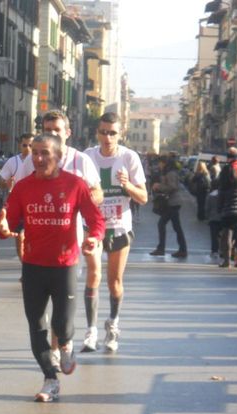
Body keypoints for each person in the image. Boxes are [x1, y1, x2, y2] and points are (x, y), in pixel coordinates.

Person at [0, 133, 105, 402]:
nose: (39, 158)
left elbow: (97, 220)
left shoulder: (75, 185)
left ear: (58, 156)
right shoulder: (23, 187)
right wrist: (4, 228)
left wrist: (93, 237)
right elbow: (8, 223)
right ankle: (50, 379)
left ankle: (66, 345)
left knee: (62, 325)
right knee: (37, 326)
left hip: (64, 265)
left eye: (44, 153)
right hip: (33, 265)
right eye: (35, 153)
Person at [18, 110, 102, 363]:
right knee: (40, 314)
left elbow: (97, 194)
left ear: (67, 133)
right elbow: (19, 194)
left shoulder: (80, 161)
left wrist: (78, 201)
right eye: (47, 129)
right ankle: (54, 353)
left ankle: (60, 346)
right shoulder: (32, 160)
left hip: (70, 243)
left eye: (57, 130)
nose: (52, 134)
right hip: (38, 246)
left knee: (61, 309)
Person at [84, 112, 148, 352]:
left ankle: (113, 324)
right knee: (93, 276)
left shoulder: (129, 158)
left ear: (120, 134)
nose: (107, 138)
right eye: (103, 132)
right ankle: (91, 331)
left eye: (112, 133)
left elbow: (143, 197)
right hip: (92, 227)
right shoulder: (88, 156)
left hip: (120, 227)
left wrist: (126, 184)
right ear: (97, 133)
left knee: (115, 282)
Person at [0, 132, 34, 261]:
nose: (28, 148)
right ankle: (24, 262)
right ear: (20, 145)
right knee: (20, 236)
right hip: (18, 204)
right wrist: (7, 184)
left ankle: (30, 262)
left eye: (31, 145)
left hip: (35, 204)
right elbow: (1, 183)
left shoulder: (39, 161)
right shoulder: (12, 162)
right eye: (25, 145)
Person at [150, 154, 188, 258]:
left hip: (173, 203)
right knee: (176, 227)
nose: (159, 165)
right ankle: (181, 249)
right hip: (173, 203)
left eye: (160, 163)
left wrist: (159, 186)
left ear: (165, 163)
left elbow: (173, 187)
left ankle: (162, 249)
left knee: (162, 224)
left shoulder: (170, 173)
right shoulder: (169, 172)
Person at [217, 147, 237, 268]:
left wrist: (219, 209)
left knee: (227, 235)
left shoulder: (224, 187)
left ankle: (227, 261)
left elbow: (221, 199)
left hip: (228, 212)